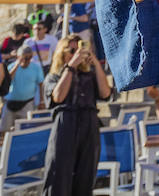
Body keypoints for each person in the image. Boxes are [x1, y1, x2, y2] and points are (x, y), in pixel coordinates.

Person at [43, 39, 110, 196]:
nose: (77, 55)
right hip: (66, 123)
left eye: (80, 51)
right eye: (72, 51)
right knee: (59, 174)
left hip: (89, 123)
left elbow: (105, 93)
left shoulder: (90, 75)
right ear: (62, 53)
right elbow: (58, 96)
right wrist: (71, 66)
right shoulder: (54, 77)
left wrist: (95, 63)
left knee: (86, 175)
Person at [0, 45, 46, 134]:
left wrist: (41, 101)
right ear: (18, 57)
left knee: (26, 130)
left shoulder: (36, 68)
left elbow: (41, 84)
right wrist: (17, 65)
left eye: (29, 58)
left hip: (27, 103)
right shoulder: (11, 66)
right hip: (10, 103)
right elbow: (8, 81)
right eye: (24, 58)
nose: (26, 60)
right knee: (4, 130)